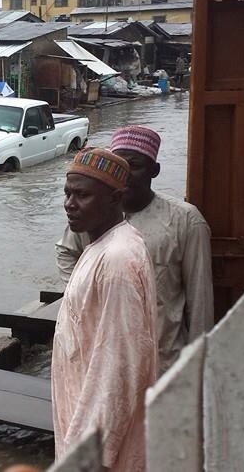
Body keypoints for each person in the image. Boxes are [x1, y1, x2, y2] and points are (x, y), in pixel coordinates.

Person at [56, 126, 213, 374]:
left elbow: (200, 300)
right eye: (119, 166)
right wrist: (81, 293)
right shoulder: (93, 213)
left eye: (135, 166)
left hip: (162, 361)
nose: (125, 174)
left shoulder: (185, 220)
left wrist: (197, 369)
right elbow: (66, 251)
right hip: (101, 358)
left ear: (154, 170)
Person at [53, 147, 158, 471]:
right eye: (68, 193)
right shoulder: (102, 245)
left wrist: (90, 456)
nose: (70, 204)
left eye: (82, 195)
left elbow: (120, 369)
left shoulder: (117, 261)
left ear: (115, 198)